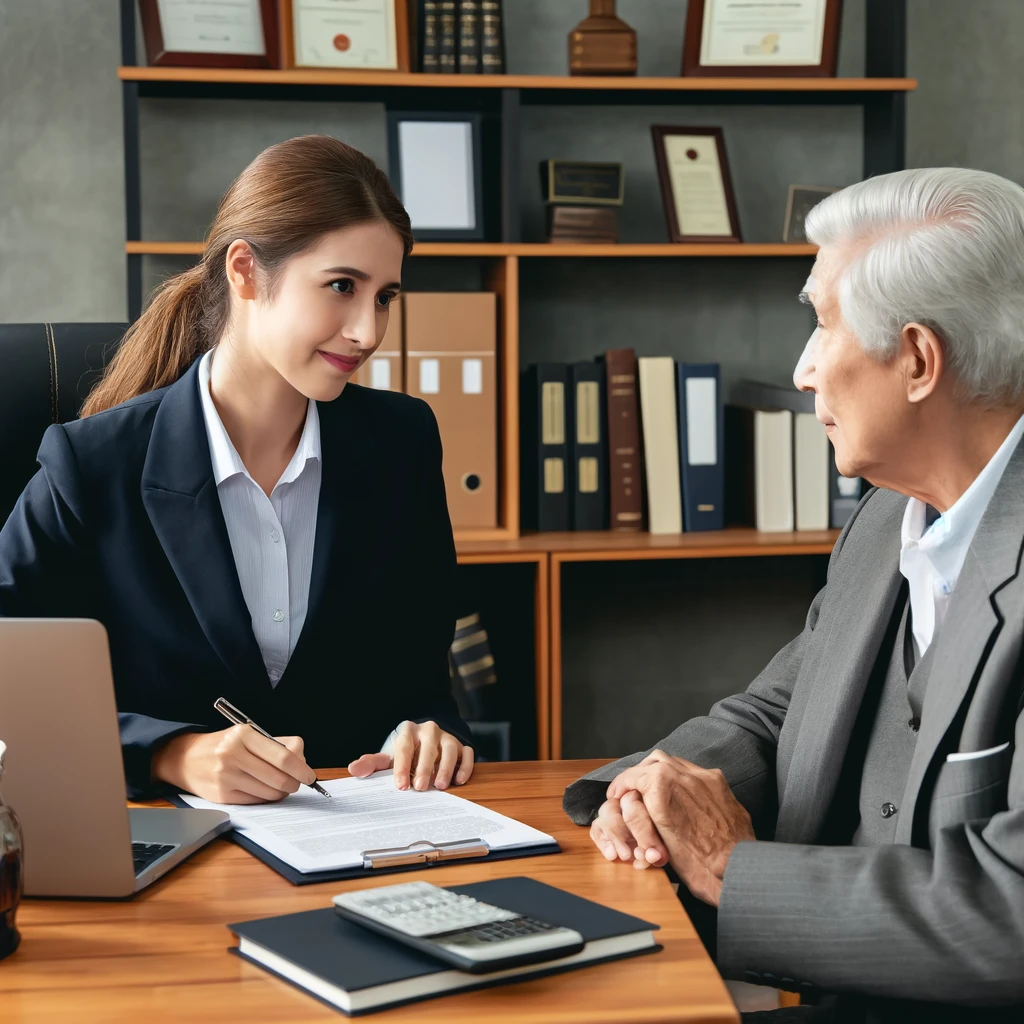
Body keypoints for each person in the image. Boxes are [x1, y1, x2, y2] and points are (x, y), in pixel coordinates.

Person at [564, 167, 1024, 1022]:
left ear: (919, 359)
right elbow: (775, 714)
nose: (803, 371)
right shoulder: (887, 517)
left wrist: (732, 871)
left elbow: (1013, 912)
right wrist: (650, 789)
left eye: (821, 325)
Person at [0, 135, 475, 803]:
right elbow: (6, 679)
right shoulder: (91, 465)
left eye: (385, 296)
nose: (368, 331)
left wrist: (427, 731)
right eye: (341, 286)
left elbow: (423, 682)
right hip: (168, 858)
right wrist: (169, 753)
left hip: (362, 844)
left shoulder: (403, 442)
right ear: (246, 271)